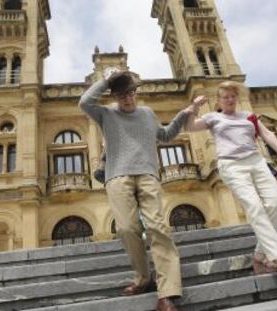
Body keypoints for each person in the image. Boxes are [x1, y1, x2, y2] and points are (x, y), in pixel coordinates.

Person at [79, 69, 193, 311]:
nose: (127, 99)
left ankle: (168, 293)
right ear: (115, 97)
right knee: (127, 228)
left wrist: (183, 115)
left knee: (158, 227)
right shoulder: (105, 114)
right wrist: (107, 81)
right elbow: (84, 102)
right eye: (121, 95)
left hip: (148, 174)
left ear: (136, 93)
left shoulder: (148, 114)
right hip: (117, 176)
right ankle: (144, 278)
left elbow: (165, 136)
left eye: (130, 94)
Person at [184, 81, 277, 291]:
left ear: (236, 98)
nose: (229, 99)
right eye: (225, 97)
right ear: (219, 100)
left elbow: (267, 134)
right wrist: (194, 108)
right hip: (231, 165)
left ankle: (259, 254)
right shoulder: (213, 117)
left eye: (232, 96)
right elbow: (189, 127)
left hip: (256, 161)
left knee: (275, 204)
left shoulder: (248, 116)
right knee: (255, 208)